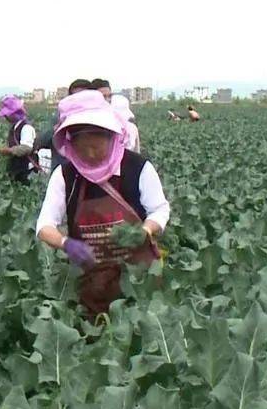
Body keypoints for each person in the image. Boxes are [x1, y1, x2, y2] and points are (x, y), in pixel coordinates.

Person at [35, 90, 170, 317]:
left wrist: (145, 230)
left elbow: (160, 209)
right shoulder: (66, 175)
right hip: (92, 280)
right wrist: (66, 243)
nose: (89, 154)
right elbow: (44, 225)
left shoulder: (137, 168)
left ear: (112, 137)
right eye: (82, 147)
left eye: (96, 147)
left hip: (138, 280)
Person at [37, 78, 92, 170]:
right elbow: (41, 142)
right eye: (75, 96)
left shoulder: (98, 121)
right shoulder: (60, 117)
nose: (79, 100)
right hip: (61, 175)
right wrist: (57, 129)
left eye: (83, 96)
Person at [0, 95, 44, 182]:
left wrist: (8, 151)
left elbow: (26, 148)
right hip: (17, 169)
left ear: (14, 114)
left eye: (7, 115)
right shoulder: (14, 127)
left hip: (26, 170)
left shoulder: (26, 127)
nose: (5, 117)